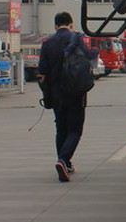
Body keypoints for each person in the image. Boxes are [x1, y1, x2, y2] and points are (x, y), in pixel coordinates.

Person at [38, 12, 98, 182]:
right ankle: (63, 160)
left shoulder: (47, 43)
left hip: (56, 94)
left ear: (55, 26)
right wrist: (94, 50)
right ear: (71, 25)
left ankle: (65, 163)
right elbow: (89, 55)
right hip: (75, 91)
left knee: (61, 129)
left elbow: (42, 71)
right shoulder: (76, 38)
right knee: (75, 130)